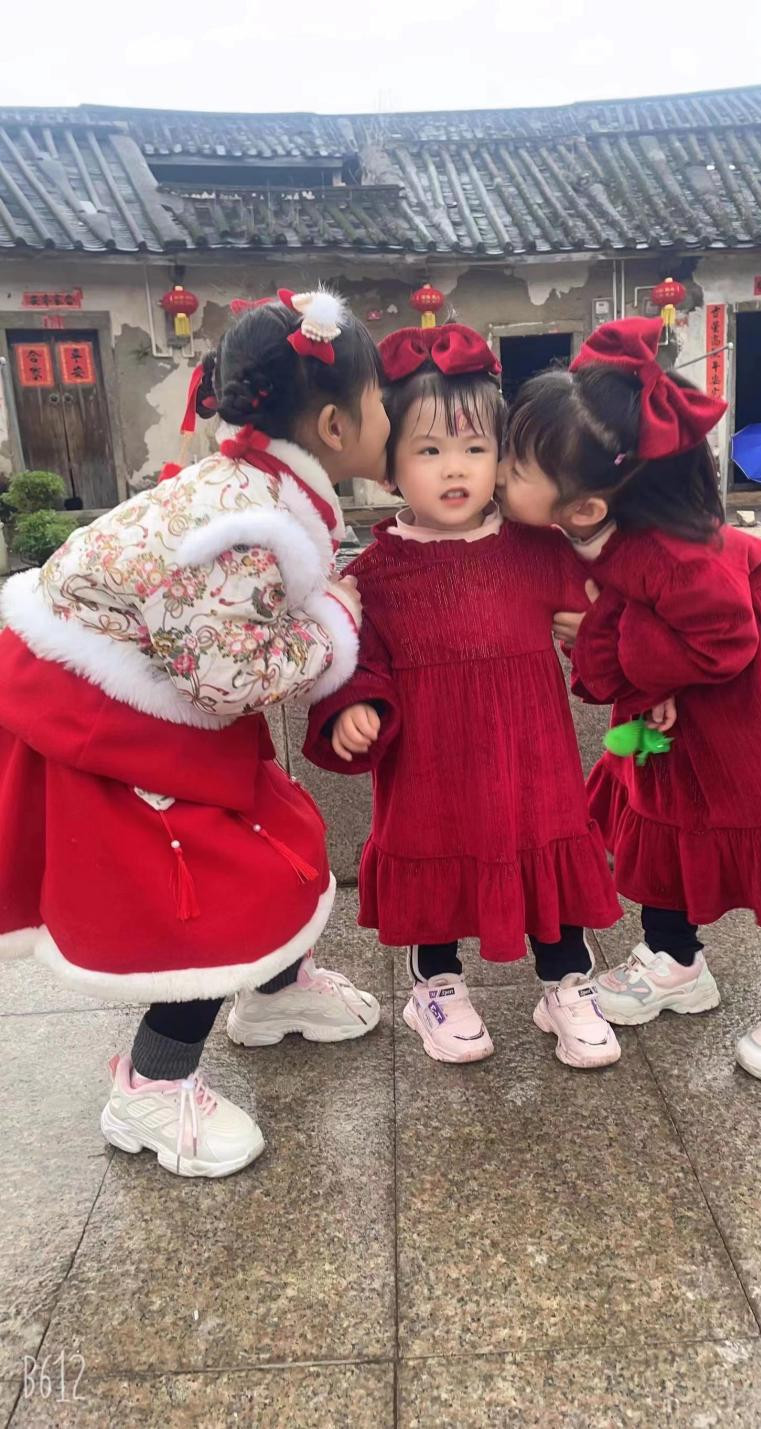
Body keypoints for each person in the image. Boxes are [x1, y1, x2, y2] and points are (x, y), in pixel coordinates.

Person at [0, 289, 390, 1176]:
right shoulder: (243, 525)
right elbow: (228, 678)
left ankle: (276, 991)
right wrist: (333, 621)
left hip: (143, 701)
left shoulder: (259, 484)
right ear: (335, 425)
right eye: (380, 404)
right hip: (103, 721)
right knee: (208, 895)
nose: (389, 418)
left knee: (278, 833)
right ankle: (150, 1083)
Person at [498, 315, 761, 1089]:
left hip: (746, 719)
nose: (499, 474)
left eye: (515, 465)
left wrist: (607, 640)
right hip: (680, 711)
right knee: (660, 815)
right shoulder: (613, 531)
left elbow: (723, 639)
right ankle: (674, 958)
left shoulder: (680, 556)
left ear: (585, 506)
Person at [304, 323, 621, 1068]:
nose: (455, 467)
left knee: (549, 862)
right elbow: (355, 656)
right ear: (387, 468)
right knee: (432, 864)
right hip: (430, 769)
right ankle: (435, 985)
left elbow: (602, 626)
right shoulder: (375, 574)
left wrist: (596, 636)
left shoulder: (539, 549)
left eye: (476, 448)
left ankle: (565, 983)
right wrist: (354, 704)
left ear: (501, 459)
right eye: (428, 451)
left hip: (533, 761)